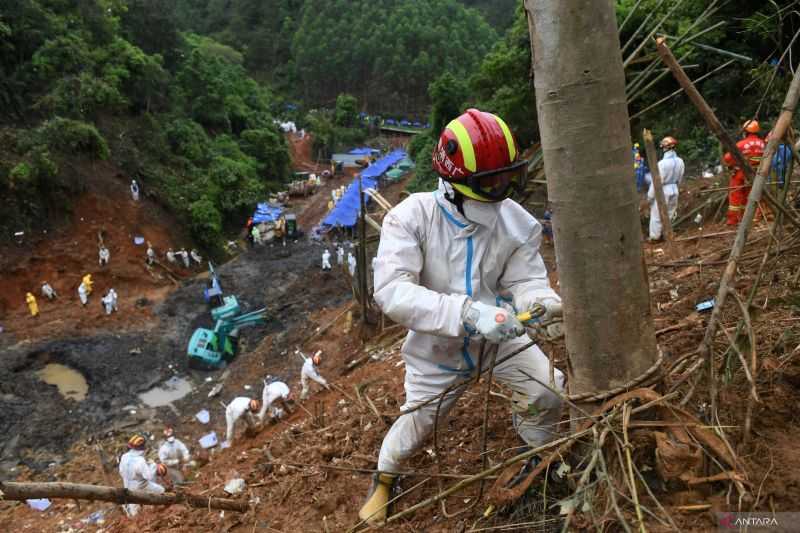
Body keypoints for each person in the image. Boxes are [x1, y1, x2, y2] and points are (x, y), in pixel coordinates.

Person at [358, 109, 564, 523]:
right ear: (454, 183)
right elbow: (393, 291)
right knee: (417, 423)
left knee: (547, 390)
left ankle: (533, 460)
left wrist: (542, 301)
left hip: (501, 336)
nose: (503, 189)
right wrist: (467, 314)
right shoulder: (411, 217)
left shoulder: (517, 223)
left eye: (509, 176)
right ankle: (384, 478)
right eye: (491, 182)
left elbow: (526, 279)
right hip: (439, 348)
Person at [723, 120, 765, 225]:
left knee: (735, 196)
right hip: (756, 175)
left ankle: (733, 220)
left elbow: (728, 158)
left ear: (745, 131)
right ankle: (751, 219)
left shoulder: (741, 144)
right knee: (750, 195)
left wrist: (731, 165)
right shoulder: (763, 143)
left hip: (740, 174)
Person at [645, 136, 685, 242]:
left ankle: (654, 237)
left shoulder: (661, 164)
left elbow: (656, 182)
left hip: (663, 190)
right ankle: (666, 234)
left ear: (664, 147)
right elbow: (680, 178)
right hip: (674, 189)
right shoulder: (681, 161)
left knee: (656, 215)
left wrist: (650, 197)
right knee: (670, 213)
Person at [118, 434, 167, 517]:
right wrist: (153, 466)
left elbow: (121, 472)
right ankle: (160, 511)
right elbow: (149, 477)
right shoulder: (140, 461)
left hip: (127, 485)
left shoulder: (124, 456)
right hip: (141, 485)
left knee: (133, 511)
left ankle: (130, 515)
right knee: (161, 491)